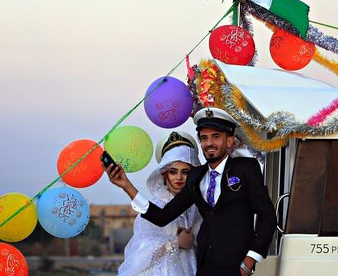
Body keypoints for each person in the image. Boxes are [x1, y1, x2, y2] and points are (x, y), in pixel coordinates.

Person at [107, 107, 277, 276]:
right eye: (204, 138)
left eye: (216, 137)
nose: (209, 143)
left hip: (237, 266)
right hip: (203, 267)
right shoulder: (196, 175)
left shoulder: (246, 168)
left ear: (230, 141)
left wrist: (251, 258)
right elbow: (162, 216)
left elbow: (266, 214)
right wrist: (127, 186)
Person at [117, 131, 202, 276]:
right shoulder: (154, 208)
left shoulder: (200, 206)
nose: (179, 178)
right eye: (173, 172)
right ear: (164, 174)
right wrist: (174, 243)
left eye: (185, 172)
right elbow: (139, 255)